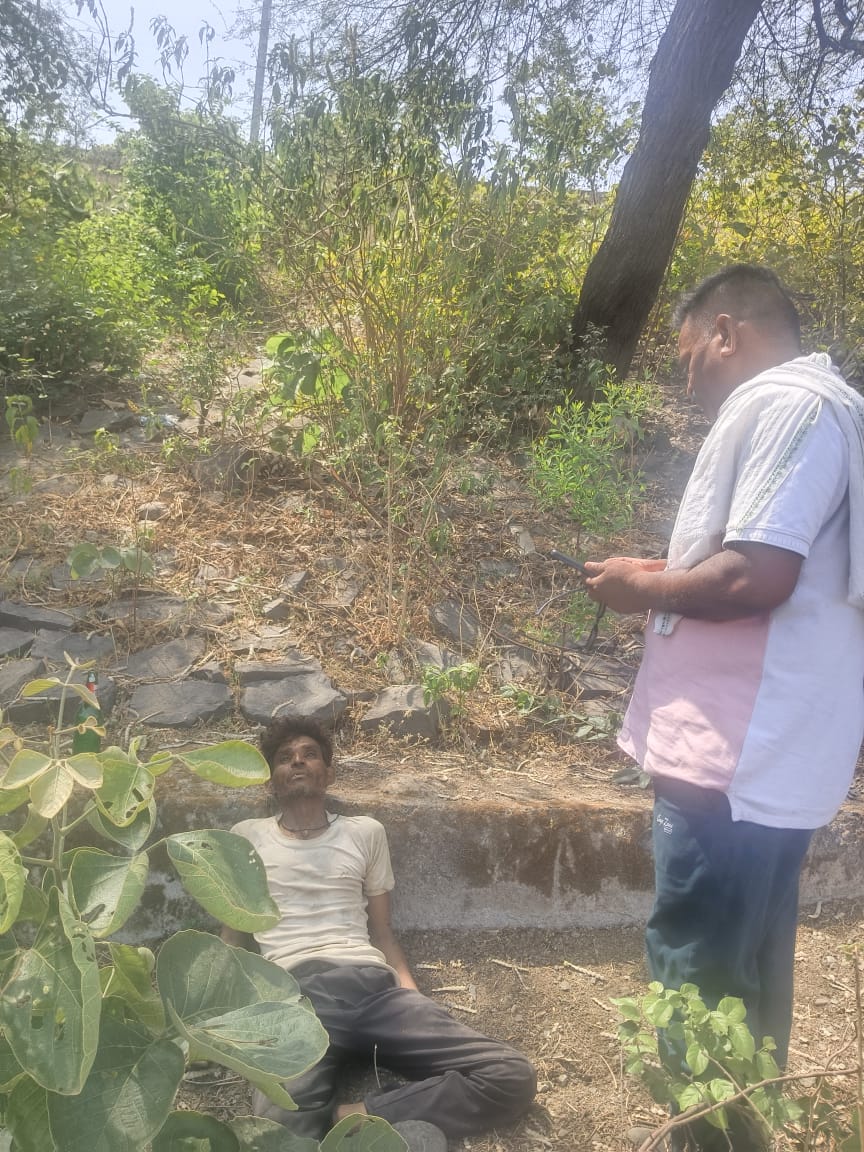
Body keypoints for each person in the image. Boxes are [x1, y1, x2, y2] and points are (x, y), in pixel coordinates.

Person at [583, 265, 864, 1138]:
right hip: (771, 758)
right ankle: (742, 1135)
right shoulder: (837, 409)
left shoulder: (790, 404)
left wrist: (644, 586)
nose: (687, 379)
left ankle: (709, 1140)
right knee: (747, 970)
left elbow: (756, 574)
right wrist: (660, 577)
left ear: (725, 332)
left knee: (695, 971)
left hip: (731, 758)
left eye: (688, 357)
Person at [222, 715, 536, 1150]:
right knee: (278, 1126)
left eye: (309, 754)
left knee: (511, 1075)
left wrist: (411, 994)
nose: (297, 762)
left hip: (374, 990)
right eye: (284, 758)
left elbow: (383, 931)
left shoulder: (364, 832)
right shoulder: (246, 837)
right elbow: (233, 933)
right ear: (271, 781)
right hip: (294, 996)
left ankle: (358, 1118)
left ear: (328, 774)